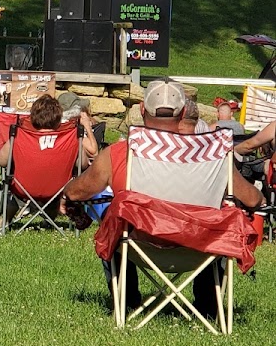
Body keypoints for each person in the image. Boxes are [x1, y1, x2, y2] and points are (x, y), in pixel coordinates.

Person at [63, 79, 262, 316]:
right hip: (201, 249)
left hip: (139, 245)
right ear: (184, 113)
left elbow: (77, 191)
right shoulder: (213, 154)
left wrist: (67, 196)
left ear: (141, 110)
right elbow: (252, 200)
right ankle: (208, 307)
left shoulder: (120, 153)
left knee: (111, 215)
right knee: (219, 218)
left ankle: (126, 303)